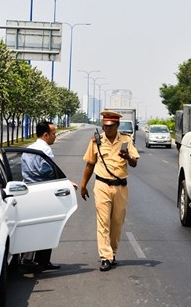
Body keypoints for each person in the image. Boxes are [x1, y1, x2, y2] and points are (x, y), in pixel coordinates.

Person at [80, 110, 139, 272]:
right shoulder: (96, 142)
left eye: (111, 126)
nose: (108, 129)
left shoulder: (126, 140)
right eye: (105, 126)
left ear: (117, 125)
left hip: (120, 186)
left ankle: (112, 253)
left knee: (117, 222)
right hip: (102, 186)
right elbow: (90, 164)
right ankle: (105, 256)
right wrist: (83, 185)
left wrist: (127, 157)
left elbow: (134, 163)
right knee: (103, 222)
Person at [19, 121, 62, 271]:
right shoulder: (45, 150)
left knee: (31, 227)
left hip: (27, 191)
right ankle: (43, 261)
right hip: (43, 192)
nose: (55, 136)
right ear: (46, 135)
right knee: (47, 227)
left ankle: (27, 258)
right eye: (53, 134)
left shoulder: (28, 149)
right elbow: (47, 171)